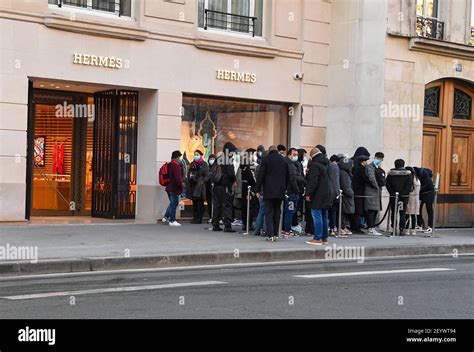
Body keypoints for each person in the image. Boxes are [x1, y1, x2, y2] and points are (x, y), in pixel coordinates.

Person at [255, 145, 289, 242]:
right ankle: (276, 234)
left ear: (269, 151)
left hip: (268, 191)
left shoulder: (266, 160)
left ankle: (270, 235)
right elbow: (287, 177)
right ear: (277, 151)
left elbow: (261, 176)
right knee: (277, 212)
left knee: (269, 213)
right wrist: (285, 189)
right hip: (280, 192)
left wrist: (257, 190)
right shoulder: (283, 160)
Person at [305, 146, 331, 245]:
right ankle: (324, 238)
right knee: (324, 215)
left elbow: (313, 181)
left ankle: (317, 238)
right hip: (327, 192)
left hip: (318, 194)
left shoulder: (315, 165)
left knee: (316, 214)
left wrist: (308, 193)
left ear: (312, 156)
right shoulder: (326, 163)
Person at [211, 142, 237, 232]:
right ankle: (227, 226)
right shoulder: (228, 160)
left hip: (216, 186)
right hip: (225, 186)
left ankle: (215, 225)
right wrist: (234, 179)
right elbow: (231, 174)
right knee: (227, 206)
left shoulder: (219, 158)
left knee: (217, 206)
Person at [386, 159, 413, 235]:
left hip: (393, 196)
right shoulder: (407, 174)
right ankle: (401, 228)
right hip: (404, 197)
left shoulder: (391, 174)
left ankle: (394, 228)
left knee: (394, 213)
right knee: (402, 213)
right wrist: (402, 194)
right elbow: (409, 186)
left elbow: (387, 184)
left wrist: (393, 193)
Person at [281, 148, 301, 238]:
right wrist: (297, 190)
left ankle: (283, 229)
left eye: (297, 154)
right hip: (290, 192)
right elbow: (293, 180)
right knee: (289, 212)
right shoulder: (290, 164)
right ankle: (287, 230)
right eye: (294, 154)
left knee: (285, 212)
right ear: (289, 155)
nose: (296, 156)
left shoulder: (283, 162)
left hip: (284, 191)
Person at [163, 150, 185, 227]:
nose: (180, 158)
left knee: (172, 203)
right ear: (176, 157)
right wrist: (181, 185)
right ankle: (172, 220)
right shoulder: (175, 165)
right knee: (174, 204)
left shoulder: (169, 164)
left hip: (169, 187)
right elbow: (177, 178)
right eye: (179, 157)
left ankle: (166, 217)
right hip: (174, 188)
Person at [187, 150, 209, 224]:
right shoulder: (192, 163)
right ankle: (195, 217)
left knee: (200, 202)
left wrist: (202, 181)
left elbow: (207, 175)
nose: (195, 156)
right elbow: (189, 172)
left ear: (201, 155)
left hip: (200, 185)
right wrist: (190, 177)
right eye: (195, 154)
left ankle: (199, 218)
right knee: (194, 203)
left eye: (197, 154)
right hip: (193, 185)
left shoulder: (204, 164)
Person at [351, 151, 370, 234]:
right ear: (363, 161)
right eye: (366, 161)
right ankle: (356, 227)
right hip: (359, 192)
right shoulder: (360, 169)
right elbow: (365, 179)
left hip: (358, 191)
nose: (366, 163)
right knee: (358, 210)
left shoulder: (358, 168)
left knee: (358, 210)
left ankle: (356, 226)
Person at [365, 157, 383, 236]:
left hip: (376, 191)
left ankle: (372, 227)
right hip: (371, 191)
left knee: (375, 210)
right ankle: (370, 228)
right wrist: (377, 187)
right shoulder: (370, 167)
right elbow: (372, 178)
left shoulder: (377, 167)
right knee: (371, 210)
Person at [414, 167, 435, 234]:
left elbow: (428, 184)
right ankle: (420, 224)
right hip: (422, 193)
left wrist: (418, 189)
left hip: (428, 193)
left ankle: (430, 227)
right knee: (418, 209)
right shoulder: (419, 174)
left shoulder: (424, 174)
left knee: (429, 209)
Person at [241, 148, 258, 232]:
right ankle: (248, 224)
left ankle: (245, 224)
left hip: (244, 185)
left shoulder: (243, 162)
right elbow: (252, 177)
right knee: (251, 206)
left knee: (245, 206)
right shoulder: (249, 163)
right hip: (249, 186)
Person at [338, 156, 355, 236]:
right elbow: (346, 186)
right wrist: (351, 193)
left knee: (343, 213)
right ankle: (341, 227)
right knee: (343, 212)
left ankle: (343, 226)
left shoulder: (343, 172)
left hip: (345, 195)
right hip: (345, 196)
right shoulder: (344, 174)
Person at [291, 148, 307, 234]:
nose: (304, 157)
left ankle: (294, 223)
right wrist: (304, 181)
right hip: (296, 189)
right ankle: (293, 224)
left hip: (299, 188)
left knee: (295, 208)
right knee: (294, 208)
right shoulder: (296, 164)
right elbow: (297, 177)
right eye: (304, 155)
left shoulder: (298, 163)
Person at [328, 154, 341, 236]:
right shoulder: (335, 167)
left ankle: (330, 228)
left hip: (328, 193)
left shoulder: (329, 166)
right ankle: (332, 228)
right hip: (334, 193)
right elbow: (336, 182)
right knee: (332, 212)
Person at [405, 166, 421, 236]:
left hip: (410, 198)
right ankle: (413, 230)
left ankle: (407, 229)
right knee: (414, 215)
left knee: (407, 214)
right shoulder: (417, 179)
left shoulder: (409, 179)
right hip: (416, 199)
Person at [205, 154, 216, 223]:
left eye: (213, 159)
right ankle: (210, 216)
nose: (211, 160)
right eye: (210, 159)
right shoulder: (207, 167)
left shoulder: (217, 167)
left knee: (215, 204)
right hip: (208, 187)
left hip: (215, 187)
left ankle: (216, 217)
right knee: (209, 203)